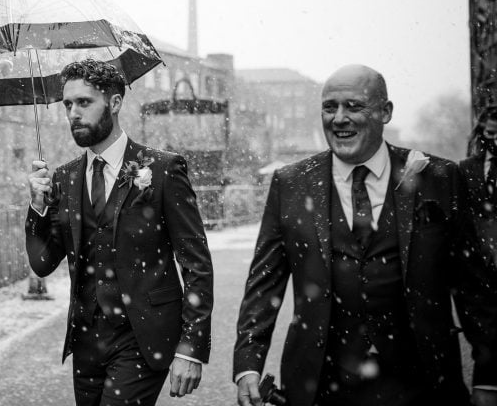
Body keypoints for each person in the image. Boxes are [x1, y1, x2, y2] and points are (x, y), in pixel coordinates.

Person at [233, 65, 497, 406]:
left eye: (354, 106)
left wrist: (489, 377)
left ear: (385, 112)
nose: (339, 118)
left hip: (422, 382)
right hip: (321, 383)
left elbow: (473, 285)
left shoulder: (440, 178)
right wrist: (248, 364)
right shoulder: (291, 184)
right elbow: (264, 283)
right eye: (330, 107)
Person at [26, 58, 213, 406]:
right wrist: (38, 207)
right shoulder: (64, 178)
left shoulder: (161, 169)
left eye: (84, 102)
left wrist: (191, 346)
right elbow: (42, 262)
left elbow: (196, 264)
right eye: (67, 104)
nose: (73, 113)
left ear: (114, 103)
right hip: (86, 341)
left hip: (142, 336)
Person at [459, 105, 497, 268]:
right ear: (481, 133)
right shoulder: (466, 168)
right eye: (491, 133)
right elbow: (461, 214)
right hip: (477, 262)